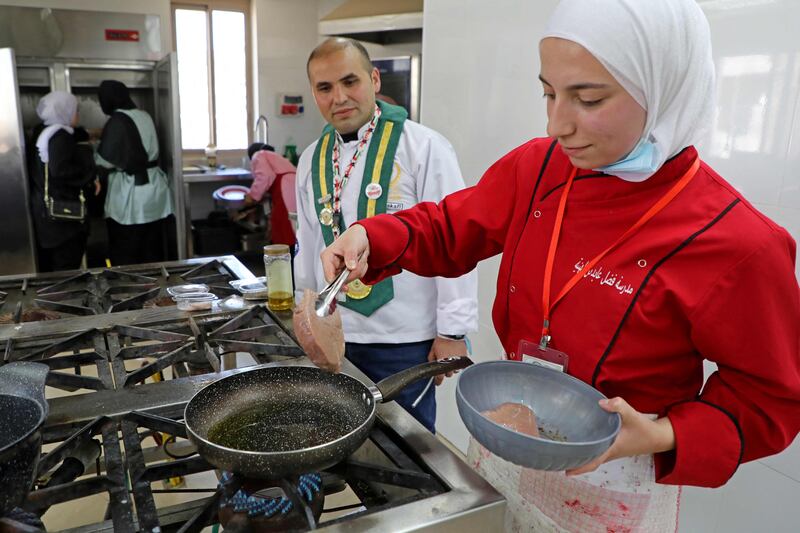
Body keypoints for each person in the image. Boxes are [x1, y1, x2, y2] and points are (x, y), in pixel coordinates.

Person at [320, 1, 800, 530]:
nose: (557, 124)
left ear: (665, 89)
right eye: (549, 92)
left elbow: (770, 398)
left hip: (617, 471)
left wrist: (663, 434)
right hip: (507, 440)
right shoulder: (540, 166)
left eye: (588, 98)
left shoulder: (737, 241)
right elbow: (451, 225)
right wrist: (373, 235)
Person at [295, 37, 478, 432]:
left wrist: (452, 331)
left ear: (374, 79)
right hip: (335, 337)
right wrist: (304, 314)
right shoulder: (310, 158)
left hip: (406, 339)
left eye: (350, 81)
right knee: (342, 445)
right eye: (324, 88)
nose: (339, 97)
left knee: (407, 454)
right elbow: (308, 241)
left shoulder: (423, 146)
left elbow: (455, 238)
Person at [95, 80, 174, 266]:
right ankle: (156, 290)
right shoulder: (144, 115)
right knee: (151, 248)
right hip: (154, 188)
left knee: (127, 250)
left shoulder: (117, 120)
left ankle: (130, 291)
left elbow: (104, 160)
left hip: (130, 192)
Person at [28, 91, 98, 272]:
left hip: (46, 217)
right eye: (75, 110)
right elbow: (61, 171)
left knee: (52, 271)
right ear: (63, 111)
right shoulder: (61, 137)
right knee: (66, 271)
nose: (77, 115)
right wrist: (90, 174)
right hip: (63, 221)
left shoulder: (42, 132)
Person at [244, 142, 297, 248]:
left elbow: (264, 176)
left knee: (282, 221)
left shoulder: (258, 155)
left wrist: (252, 196)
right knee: (292, 222)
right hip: (293, 186)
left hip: (284, 188)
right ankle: (292, 257)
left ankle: (283, 257)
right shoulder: (274, 156)